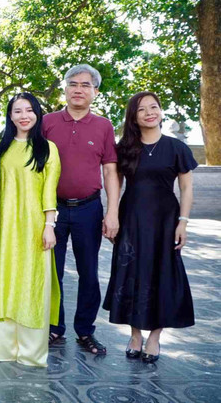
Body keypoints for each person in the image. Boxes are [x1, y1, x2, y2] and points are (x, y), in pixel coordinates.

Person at [103, 91, 197, 363]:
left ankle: (154, 337)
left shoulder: (176, 147)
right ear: (133, 116)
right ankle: (134, 334)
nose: (149, 112)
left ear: (161, 111)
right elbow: (114, 184)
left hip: (166, 221)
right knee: (130, 273)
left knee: (163, 274)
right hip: (131, 218)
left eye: (154, 107)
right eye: (142, 109)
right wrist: (112, 216)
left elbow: (187, 187)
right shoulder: (125, 148)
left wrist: (183, 221)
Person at [42, 64, 120, 355]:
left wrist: (112, 213)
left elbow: (111, 172)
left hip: (89, 209)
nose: (78, 89)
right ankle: (54, 327)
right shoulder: (46, 122)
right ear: (64, 87)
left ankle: (85, 331)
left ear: (95, 92)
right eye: (73, 83)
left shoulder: (103, 126)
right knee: (53, 272)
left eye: (86, 85)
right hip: (52, 212)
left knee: (89, 273)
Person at [0, 93, 61, 367]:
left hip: (35, 228)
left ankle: (32, 352)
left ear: (37, 114)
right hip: (5, 228)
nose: (23, 116)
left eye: (29, 110)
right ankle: (6, 349)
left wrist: (49, 225)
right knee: (6, 283)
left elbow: (49, 191)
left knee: (33, 284)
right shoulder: (1, 148)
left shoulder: (47, 148)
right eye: (17, 111)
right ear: (9, 116)